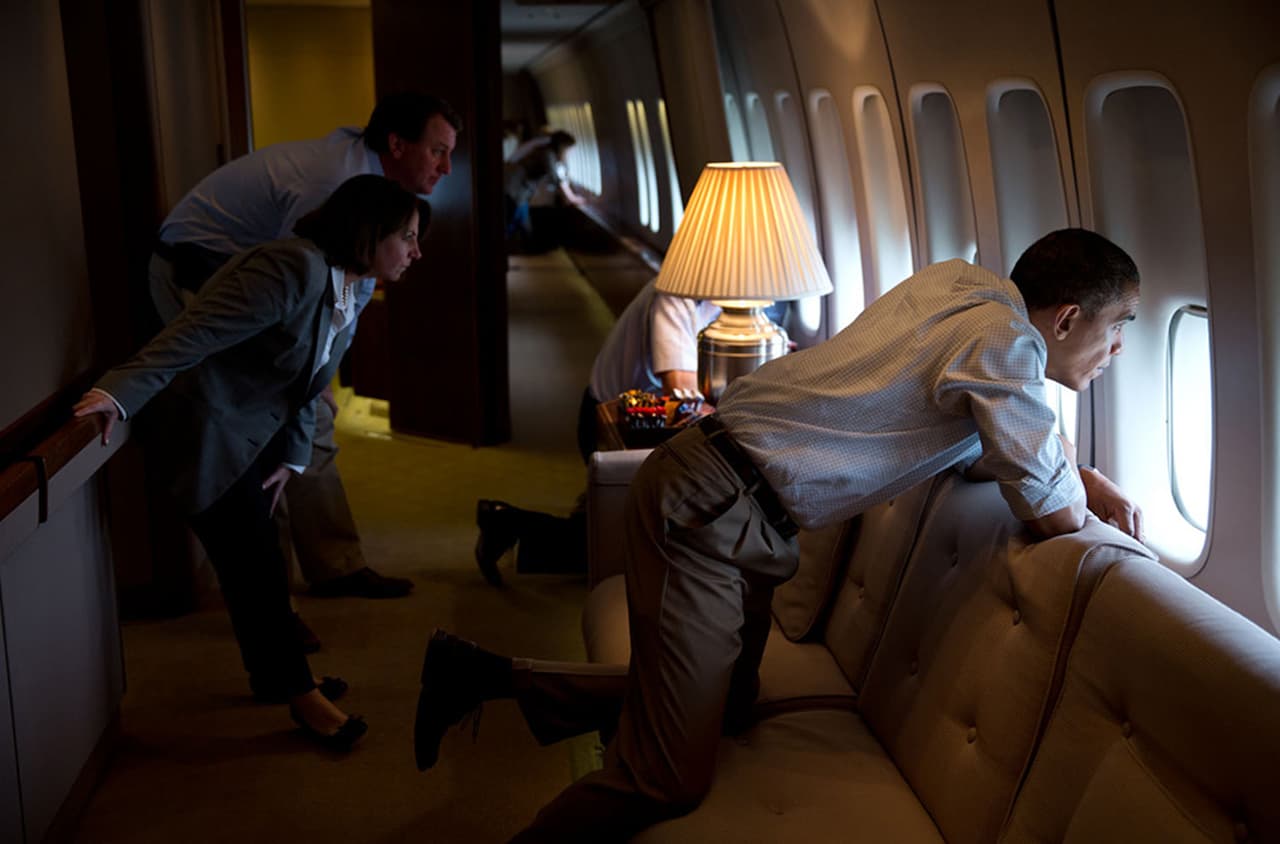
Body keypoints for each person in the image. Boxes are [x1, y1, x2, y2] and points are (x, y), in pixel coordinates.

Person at [414, 229, 1145, 840]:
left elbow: (995, 447)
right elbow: (1050, 513)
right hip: (706, 507)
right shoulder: (1006, 345)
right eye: (1118, 330)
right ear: (1069, 318)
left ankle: (481, 676)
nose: (1117, 354)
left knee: (730, 702)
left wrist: (1081, 473)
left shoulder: (957, 284)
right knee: (663, 779)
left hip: (744, 506)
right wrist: (1078, 486)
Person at [76, 174, 427, 751]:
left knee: (254, 558)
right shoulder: (290, 268)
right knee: (256, 563)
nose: (417, 251)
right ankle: (302, 699)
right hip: (203, 427)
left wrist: (292, 457)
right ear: (370, 233)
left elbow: (307, 382)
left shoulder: (354, 289)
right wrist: (116, 394)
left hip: (257, 431)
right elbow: (193, 334)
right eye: (408, 237)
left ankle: (276, 678)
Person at [151, 92, 461, 617]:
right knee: (266, 423)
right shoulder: (334, 186)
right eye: (437, 151)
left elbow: (350, 294)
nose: (446, 167)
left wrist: (320, 379)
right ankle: (274, 604)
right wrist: (311, 383)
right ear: (396, 144)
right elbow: (305, 278)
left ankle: (333, 567)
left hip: (253, 276)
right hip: (197, 268)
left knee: (309, 410)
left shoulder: (375, 190)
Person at [473, 278, 721, 586]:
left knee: (625, 532)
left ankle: (586, 512)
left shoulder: (730, 300)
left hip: (640, 424)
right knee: (614, 552)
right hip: (609, 427)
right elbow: (682, 389)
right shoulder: (675, 296)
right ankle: (504, 522)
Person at [503, 129, 584, 244]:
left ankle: (520, 246)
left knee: (519, 218)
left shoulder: (546, 153)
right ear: (562, 146)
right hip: (516, 188)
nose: (568, 152)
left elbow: (559, 176)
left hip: (520, 190)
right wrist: (572, 198)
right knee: (515, 218)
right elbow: (556, 179)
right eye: (568, 149)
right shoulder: (547, 154)